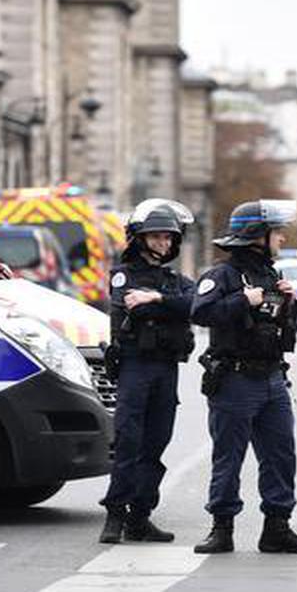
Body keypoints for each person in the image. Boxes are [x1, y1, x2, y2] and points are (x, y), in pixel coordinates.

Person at [191, 199, 297, 555]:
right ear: (256, 236)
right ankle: (222, 529)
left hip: (273, 379)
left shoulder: (272, 275)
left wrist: (289, 304)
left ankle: (277, 529)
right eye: (277, 232)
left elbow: (277, 327)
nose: (282, 238)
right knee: (228, 457)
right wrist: (241, 301)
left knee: (281, 456)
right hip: (234, 379)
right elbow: (200, 312)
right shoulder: (222, 275)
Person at [99, 199, 197, 544]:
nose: (163, 244)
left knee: (156, 442)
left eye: (168, 238)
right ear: (140, 239)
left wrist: (155, 300)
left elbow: (195, 306)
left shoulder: (175, 280)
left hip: (166, 368)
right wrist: (167, 305)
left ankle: (140, 517)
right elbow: (130, 306)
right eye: (156, 237)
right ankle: (115, 515)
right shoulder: (124, 275)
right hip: (135, 366)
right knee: (128, 441)